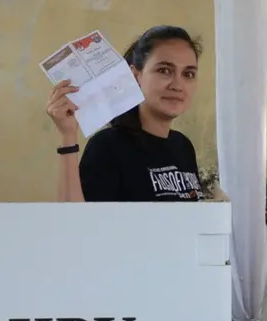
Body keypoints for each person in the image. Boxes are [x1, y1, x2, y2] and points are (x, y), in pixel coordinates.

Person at [46, 25, 206, 202]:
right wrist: (68, 136)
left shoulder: (183, 147)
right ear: (135, 75)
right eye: (164, 70)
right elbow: (76, 218)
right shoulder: (108, 146)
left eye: (188, 74)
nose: (177, 85)